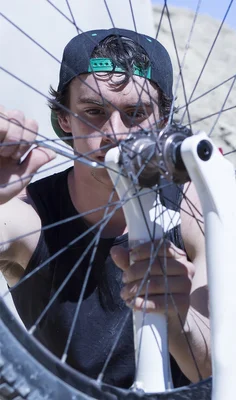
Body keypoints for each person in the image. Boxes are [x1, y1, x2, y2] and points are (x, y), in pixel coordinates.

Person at [0, 28, 210, 388]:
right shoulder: (28, 215)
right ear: (64, 118)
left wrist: (176, 318)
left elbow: (226, 376)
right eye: (94, 111)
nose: (115, 133)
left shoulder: (194, 208)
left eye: (136, 112)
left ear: (163, 120)